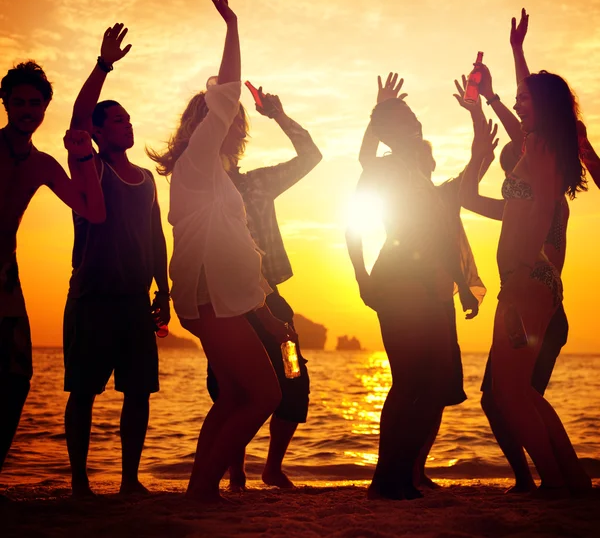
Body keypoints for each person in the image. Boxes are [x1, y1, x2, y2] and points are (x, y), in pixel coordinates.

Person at [149, 0, 294, 505]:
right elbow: (228, 91)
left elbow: (239, 250)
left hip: (213, 296)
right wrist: (232, 28)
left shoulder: (214, 175)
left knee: (234, 393)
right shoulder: (198, 162)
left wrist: (266, 314)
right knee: (265, 394)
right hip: (207, 296)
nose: (234, 123)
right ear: (204, 123)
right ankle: (203, 491)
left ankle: (197, 489)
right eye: (223, 117)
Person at [460, 56, 591, 494]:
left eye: (524, 100)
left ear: (543, 106)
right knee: (522, 392)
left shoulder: (541, 147)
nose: (518, 105)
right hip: (527, 279)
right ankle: (571, 480)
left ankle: (553, 483)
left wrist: (518, 266)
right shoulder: (539, 145)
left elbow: (543, 207)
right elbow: (517, 206)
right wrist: (495, 92)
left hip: (528, 279)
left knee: (508, 394)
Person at [347, 75, 480, 500]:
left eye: (413, 117)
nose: (415, 123)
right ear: (392, 132)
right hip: (399, 282)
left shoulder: (422, 177)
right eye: (405, 120)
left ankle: (403, 473)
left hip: (433, 289)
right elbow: (354, 225)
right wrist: (360, 275)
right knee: (408, 382)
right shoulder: (382, 169)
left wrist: (459, 284)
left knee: (432, 384)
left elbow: (443, 236)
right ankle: (388, 479)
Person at [63, 23, 171, 497]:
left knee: (139, 394)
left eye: (130, 119)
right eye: (119, 120)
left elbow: (155, 239)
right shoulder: (90, 164)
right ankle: (80, 482)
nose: (128, 125)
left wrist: (163, 292)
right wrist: (103, 65)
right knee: (83, 393)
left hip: (132, 303)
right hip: (91, 299)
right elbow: (79, 115)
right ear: (100, 131)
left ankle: (129, 480)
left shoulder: (147, 179)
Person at [205, 86, 322, 490]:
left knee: (294, 375)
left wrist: (279, 116)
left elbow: (312, 156)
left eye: (236, 124)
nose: (232, 132)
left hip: (270, 297)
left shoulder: (256, 184)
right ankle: (234, 472)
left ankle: (272, 467)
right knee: (231, 388)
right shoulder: (199, 188)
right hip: (225, 303)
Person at [0, 61, 105, 499]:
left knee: (16, 377)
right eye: (19, 101)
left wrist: (82, 157)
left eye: (35, 103)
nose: (27, 109)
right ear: (4, 103)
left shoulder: (42, 164)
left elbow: (94, 211)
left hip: (6, 276)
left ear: (45, 108)